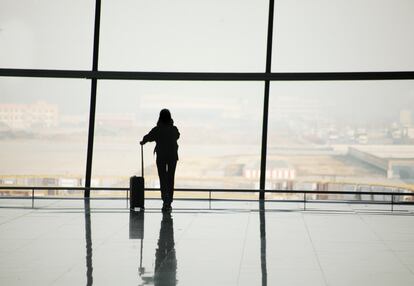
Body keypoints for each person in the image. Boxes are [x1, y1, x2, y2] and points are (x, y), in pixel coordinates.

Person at [140, 109, 180, 211]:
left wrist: (143, 141)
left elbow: (149, 137)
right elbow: (177, 136)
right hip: (172, 157)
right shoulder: (173, 129)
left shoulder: (158, 129)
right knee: (171, 177)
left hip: (161, 156)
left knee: (162, 177)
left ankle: (165, 199)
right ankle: (169, 200)